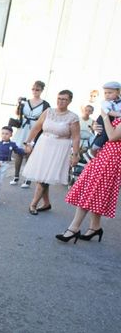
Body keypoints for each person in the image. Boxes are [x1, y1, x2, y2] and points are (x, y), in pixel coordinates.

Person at [57, 104, 121, 242]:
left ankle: (73, 229)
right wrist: (96, 128)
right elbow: (103, 132)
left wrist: (105, 116)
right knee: (96, 193)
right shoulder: (116, 113)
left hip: (112, 159)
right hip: (106, 156)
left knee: (90, 191)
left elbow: (113, 136)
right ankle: (95, 227)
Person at [21, 90, 80, 215]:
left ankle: (33, 204)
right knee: (42, 176)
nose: (61, 101)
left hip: (59, 148)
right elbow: (37, 127)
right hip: (43, 145)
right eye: (59, 98)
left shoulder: (73, 117)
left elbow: (75, 137)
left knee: (44, 179)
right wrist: (28, 143)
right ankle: (46, 203)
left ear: (70, 101)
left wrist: (75, 154)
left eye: (64, 99)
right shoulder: (48, 112)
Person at [11, 81, 50, 188]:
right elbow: (18, 114)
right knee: (19, 152)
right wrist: (18, 103)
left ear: (42, 90)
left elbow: (46, 119)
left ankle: (27, 179)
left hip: (35, 128)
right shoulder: (25, 102)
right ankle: (16, 176)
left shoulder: (45, 105)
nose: (34, 91)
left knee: (30, 153)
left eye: (37, 89)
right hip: (23, 128)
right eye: (33, 89)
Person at [83, 81, 121, 161]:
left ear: (118, 92)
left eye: (110, 93)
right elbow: (107, 112)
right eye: (105, 93)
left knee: (104, 136)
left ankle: (93, 151)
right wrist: (118, 115)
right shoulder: (106, 102)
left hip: (111, 123)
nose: (107, 95)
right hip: (106, 119)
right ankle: (92, 150)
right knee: (102, 134)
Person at [0, 126, 25, 204]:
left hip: (5, 165)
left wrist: (26, 151)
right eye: (3, 133)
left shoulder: (12, 144)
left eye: (7, 134)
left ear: (11, 135)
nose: (4, 135)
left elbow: (18, 151)